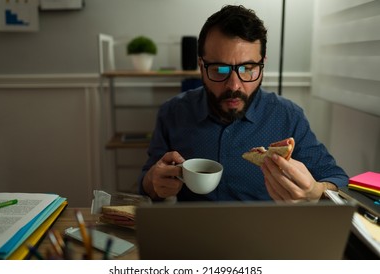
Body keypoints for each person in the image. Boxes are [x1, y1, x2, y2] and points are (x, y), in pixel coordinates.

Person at [138, 5, 348, 202]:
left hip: (265, 236)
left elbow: (338, 180)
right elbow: (146, 185)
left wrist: (315, 191)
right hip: (192, 234)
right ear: (201, 66)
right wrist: (153, 182)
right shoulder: (172, 113)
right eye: (220, 69)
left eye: (248, 68)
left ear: (263, 64)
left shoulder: (288, 117)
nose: (235, 85)